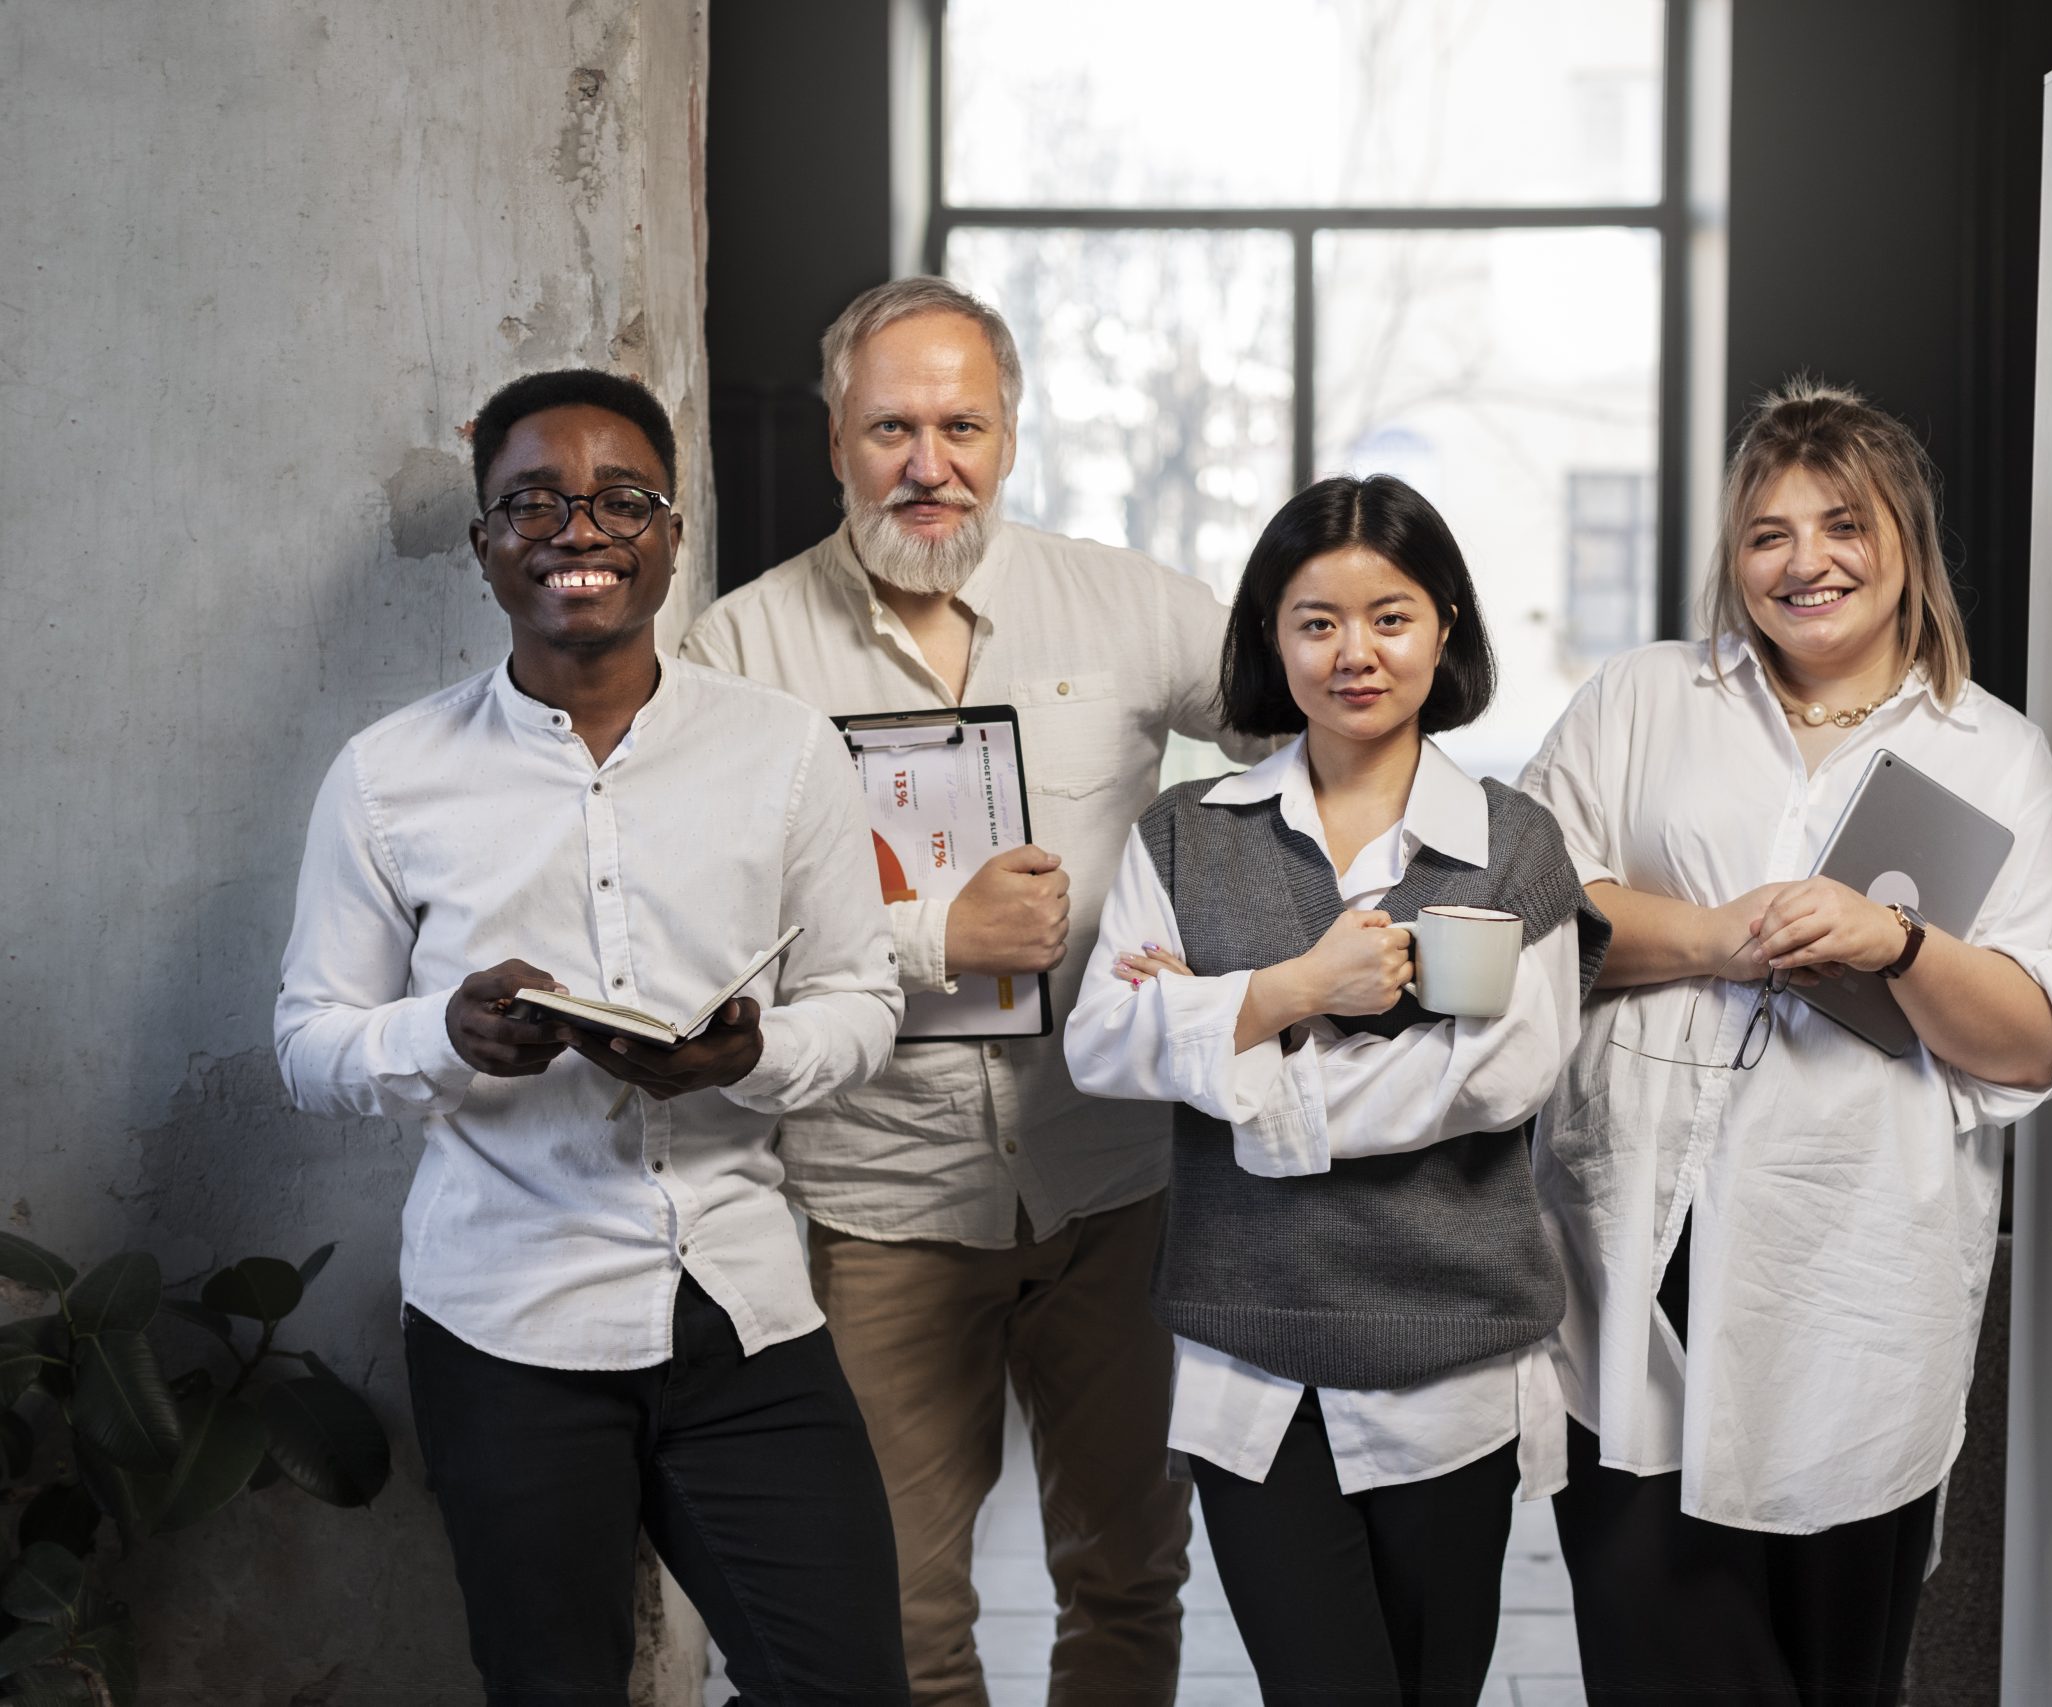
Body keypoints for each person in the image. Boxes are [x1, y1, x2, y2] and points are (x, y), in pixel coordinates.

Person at [275, 369, 910, 1704]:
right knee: (554, 1686)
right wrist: (444, 1035)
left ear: (672, 533)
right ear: (485, 544)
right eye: (535, 504)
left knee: (843, 1682)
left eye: (623, 500)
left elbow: (863, 1002)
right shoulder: (389, 774)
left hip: (742, 1306)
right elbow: (310, 1039)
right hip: (506, 1322)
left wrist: (745, 1056)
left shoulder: (785, 751)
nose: (581, 531)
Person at [682, 278, 1263, 1707]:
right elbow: (711, 937)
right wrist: (941, 925)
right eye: (892, 426)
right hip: (880, 1200)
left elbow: (1319, 736)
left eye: (961, 424)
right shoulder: (739, 655)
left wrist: (1240, 927)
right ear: (835, 440)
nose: (927, 463)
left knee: (1128, 1571)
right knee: (903, 1606)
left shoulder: (1132, 606)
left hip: (1116, 1179)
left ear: (1010, 436)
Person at [1517, 379, 2052, 1705]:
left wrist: (1895, 944)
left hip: (1854, 1288)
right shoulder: (1644, 698)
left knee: (1839, 1677)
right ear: (1733, 556)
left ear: (1906, 544)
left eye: (1842, 523)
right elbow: (1529, 901)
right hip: (1636, 1259)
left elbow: (2034, 1037)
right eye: (1767, 532)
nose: (1805, 559)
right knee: (1661, 1664)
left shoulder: (1994, 752)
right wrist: (1723, 938)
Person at [1064, 474, 1610, 1707]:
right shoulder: (1184, 833)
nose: (1353, 652)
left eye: (1391, 616)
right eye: (1315, 621)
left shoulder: (1513, 844)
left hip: (1448, 1350)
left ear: (1447, 628)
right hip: (1250, 1356)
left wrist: (1219, 1038)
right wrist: (1293, 988)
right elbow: (1102, 1043)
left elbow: (1501, 1076)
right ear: (1270, 637)